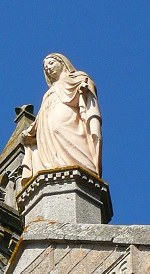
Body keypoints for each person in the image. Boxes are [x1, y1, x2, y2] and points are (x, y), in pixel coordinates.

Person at [21, 54, 102, 183]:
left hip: (68, 119)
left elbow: (87, 90)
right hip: (47, 129)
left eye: (51, 63)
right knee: (50, 145)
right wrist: (31, 131)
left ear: (62, 63)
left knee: (63, 132)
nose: (48, 68)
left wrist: (84, 90)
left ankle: (84, 168)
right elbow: (41, 115)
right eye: (46, 67)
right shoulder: (49, 91)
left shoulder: (77, 77)